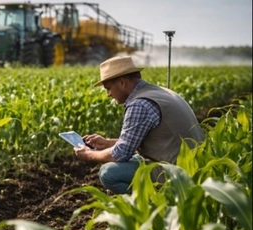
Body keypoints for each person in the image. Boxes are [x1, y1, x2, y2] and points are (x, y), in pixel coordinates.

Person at [74, 56, 205, 194]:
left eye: (108, 88)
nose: (108, 94)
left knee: (109, 173)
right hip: (193, 163)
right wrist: (106, 143)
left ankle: (152, 205)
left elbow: (121, 154)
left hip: (178, 172)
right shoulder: (160, 92)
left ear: (122, 82)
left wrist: (89, 155)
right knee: (131, 159)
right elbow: (139, 142)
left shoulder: (140, 104)